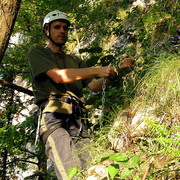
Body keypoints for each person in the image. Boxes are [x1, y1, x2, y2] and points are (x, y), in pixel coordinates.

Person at [28, 10, 134, 180]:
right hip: (54, 119)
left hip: (79, 123)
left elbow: (94, 86)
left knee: (96, 170)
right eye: (57, 27)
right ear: (47, 30)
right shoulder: (38, 52)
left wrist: (118, 70)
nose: (62, 31)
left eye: (65, 28)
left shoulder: (75, 61)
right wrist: (97, 70)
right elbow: (57, 76)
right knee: (72, 173)